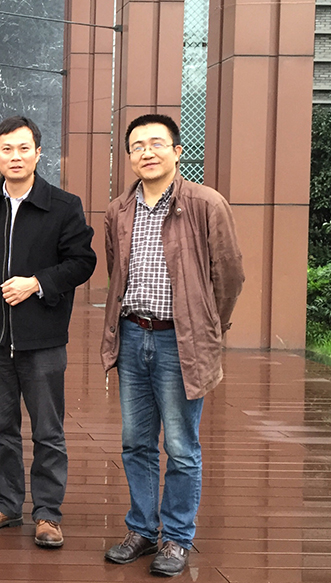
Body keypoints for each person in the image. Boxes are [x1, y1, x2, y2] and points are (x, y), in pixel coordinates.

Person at [101, 114, 244, 577]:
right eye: (138, 145)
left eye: (157, 143)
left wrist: (209, 327)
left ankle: (177, 538)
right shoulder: (118, 210)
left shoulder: (205, 203)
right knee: (135, 442)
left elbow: (229, 274)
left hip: (180, 342)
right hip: (132, 334)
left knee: (181, 447)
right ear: (129, 156)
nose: (147, 152)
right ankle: (142, 530)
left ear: (177, 151)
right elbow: (116, 272)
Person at [0, 115, 96, 548]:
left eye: (23, 148)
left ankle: (48, 513)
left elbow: (82, 262)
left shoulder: (63, 205)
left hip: (42, 339)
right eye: (6, 149)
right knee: (0, 428)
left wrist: (36, 283)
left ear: (38, 153)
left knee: (48, 431)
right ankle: (5, 504)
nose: (14, 157)